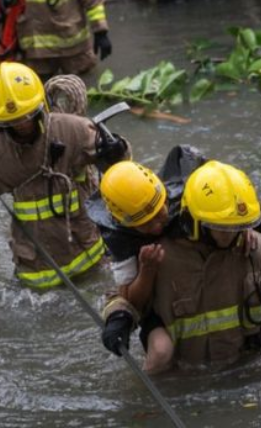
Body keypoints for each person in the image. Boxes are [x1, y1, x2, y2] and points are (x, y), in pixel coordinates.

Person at [0, 61, 129, 290]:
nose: (22, 125)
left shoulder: (74, 131)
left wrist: (117, 151)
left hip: (91, 261)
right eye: (11, 122)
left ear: (41, 106)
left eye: (27, 116)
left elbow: (123, 173)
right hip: (36, 277)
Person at [99, 159, 261, 372]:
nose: (158, 224)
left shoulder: (248, 244)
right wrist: (118, 318)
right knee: (160, 352)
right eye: (223, 228)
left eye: (237, 227)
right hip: (185, 364)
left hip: (242, 354)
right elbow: (121, 296)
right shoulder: (151, 253)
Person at [88, 146, 206, 373]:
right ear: (124, 223)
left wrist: (241, 230)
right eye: (145, 224)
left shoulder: (184, 192)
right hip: (159, 300)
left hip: (196, 280)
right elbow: (131, 301)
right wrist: (147, 269)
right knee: (162, 352)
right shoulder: (117, 235)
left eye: (160, 215)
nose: (157, 226)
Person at [0, 0, 112, 78]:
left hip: (73, 48)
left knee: (83, 90)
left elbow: (93, 1)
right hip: (36, 51)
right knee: (42, 98)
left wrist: (101, 32)